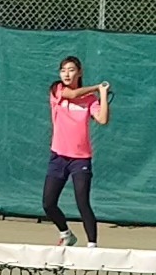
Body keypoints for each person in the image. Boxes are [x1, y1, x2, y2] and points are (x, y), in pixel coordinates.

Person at [44, 55, 110, 248]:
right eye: (63, 70)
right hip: (58, 157)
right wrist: (97, 87)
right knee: (48, 203)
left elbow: (103, 119)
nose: (66, 74)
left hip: (81, 159)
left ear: (79, 73)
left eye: (71, 70)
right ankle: (66, 234)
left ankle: (92, 246)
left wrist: (103, 95)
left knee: (82, 203)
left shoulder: (90, 100)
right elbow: (72, 95)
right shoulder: (57, 90)